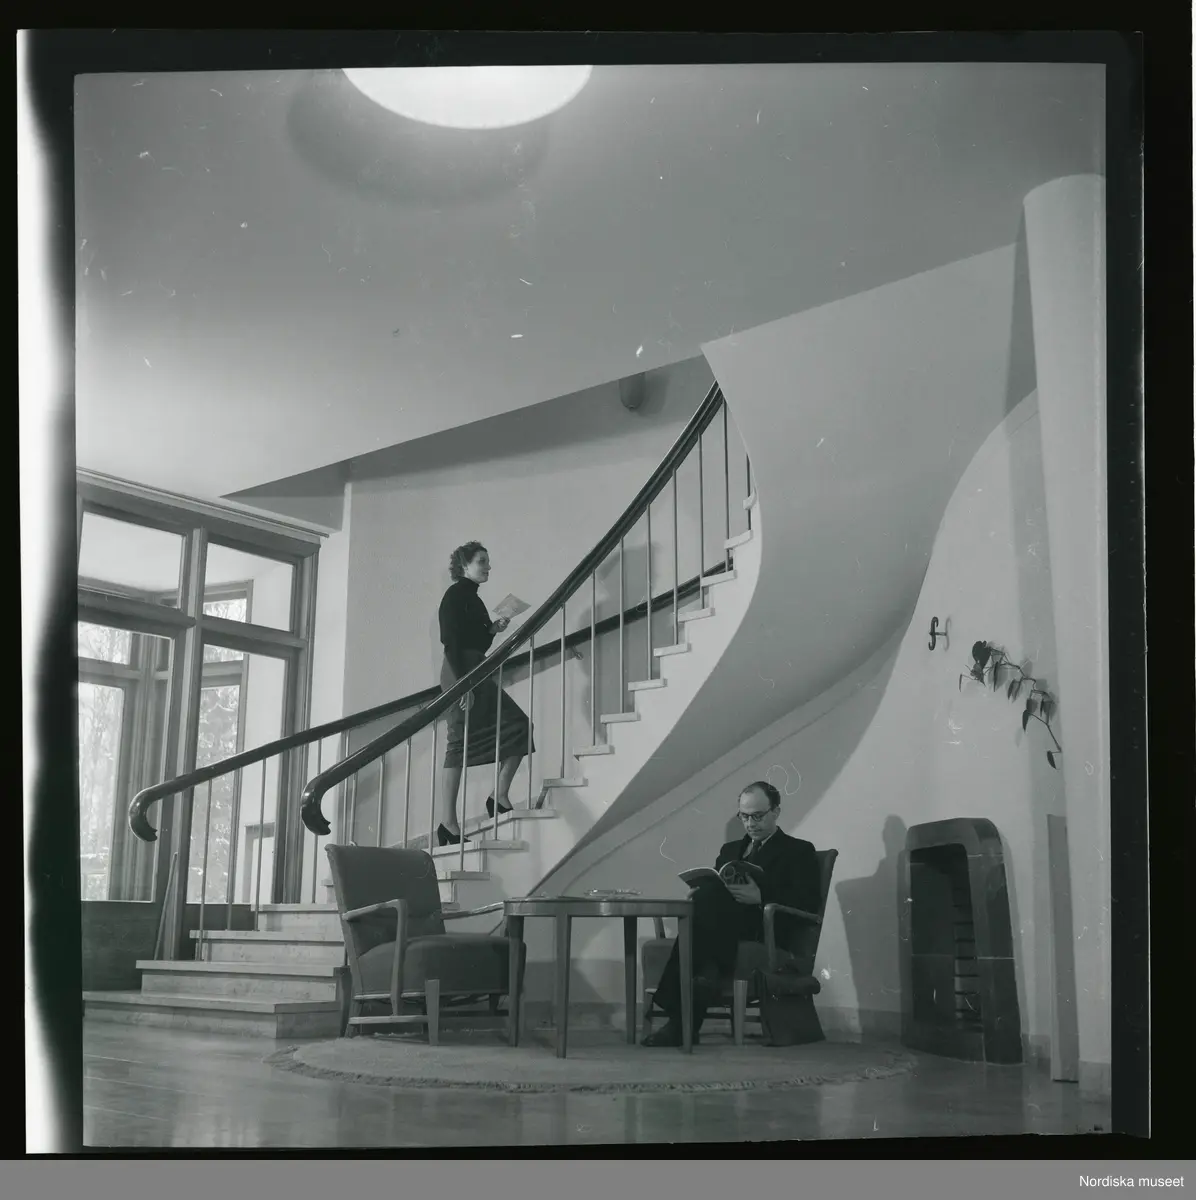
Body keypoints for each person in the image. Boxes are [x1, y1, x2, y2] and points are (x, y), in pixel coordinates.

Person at [641, 780, 820, 1047]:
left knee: (707, 907)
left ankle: (679, 1020)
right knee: (707, 899)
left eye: (758, 816)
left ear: (776, 812)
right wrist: (699, 893)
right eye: (744, 816)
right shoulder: (730, 850)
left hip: (765, 928)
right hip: (723, 926)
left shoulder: (799, 850)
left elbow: (807, 903)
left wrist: (761, 898)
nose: (750, 823)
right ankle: (697, 995)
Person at [436, 541, 535, 845]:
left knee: (519, 725)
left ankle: (499, 796)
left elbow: (476, 643)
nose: (488, 567)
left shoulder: (474, 598)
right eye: (482, 561)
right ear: (463, 565)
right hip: (460, 672)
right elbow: (451, 643)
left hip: (475, 668)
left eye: (488, 562)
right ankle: (448, 824)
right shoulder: (454, 595)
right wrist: (462, 684)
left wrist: (492, 630)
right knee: (458, 742)